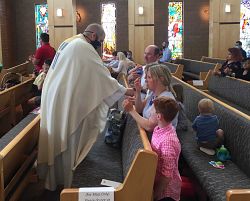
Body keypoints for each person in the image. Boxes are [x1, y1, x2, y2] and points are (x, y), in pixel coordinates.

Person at [37, 23, 134, 191]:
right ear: (94, 36)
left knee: (61, 135)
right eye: (101, 41)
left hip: (55, 95)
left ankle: (57, 178)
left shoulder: (71, 41)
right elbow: (101, 75)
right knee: (68, 136)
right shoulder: (83, 46)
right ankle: (65, 181)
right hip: (64, 99)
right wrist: (126, 90)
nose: (100, 45)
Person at [124, 96, 182, 201]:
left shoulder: (168, 141)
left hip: (165, 193)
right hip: (155, 180)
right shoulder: (159, 128)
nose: (150, 111)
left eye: (153, 110)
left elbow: (166, 177)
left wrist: (153, 196)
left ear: (159, 116)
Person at [123, 63, 178, 132]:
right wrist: (138, 91)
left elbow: (149, 126)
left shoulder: (165, 100)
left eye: (149, 77)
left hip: (161, 140)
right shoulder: (153, 93)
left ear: (161, 79)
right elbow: (139, 109)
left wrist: (131, 110)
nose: (145, 80)